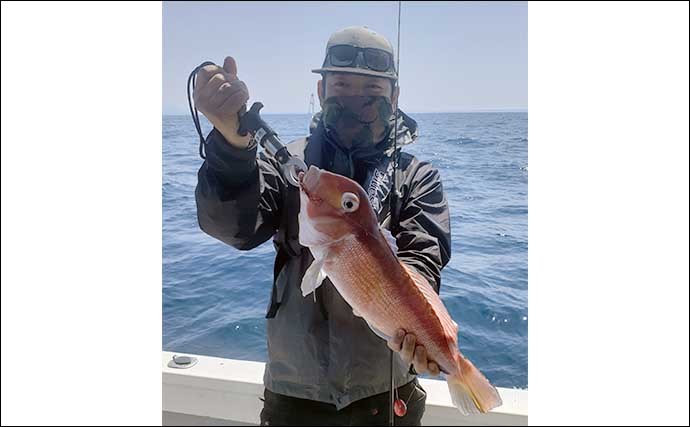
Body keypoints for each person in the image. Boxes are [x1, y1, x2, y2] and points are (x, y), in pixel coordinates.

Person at [193, 26, 451, 426]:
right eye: (342, 85)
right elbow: (235, 228)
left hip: (386, 393)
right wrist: (230, 145)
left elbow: (423, 259)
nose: (355, 99)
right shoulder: (290, 166)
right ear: (321, 91)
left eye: (372, 89)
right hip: (295, 395)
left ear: (394, 96)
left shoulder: (417, 177)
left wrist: (418, 326)